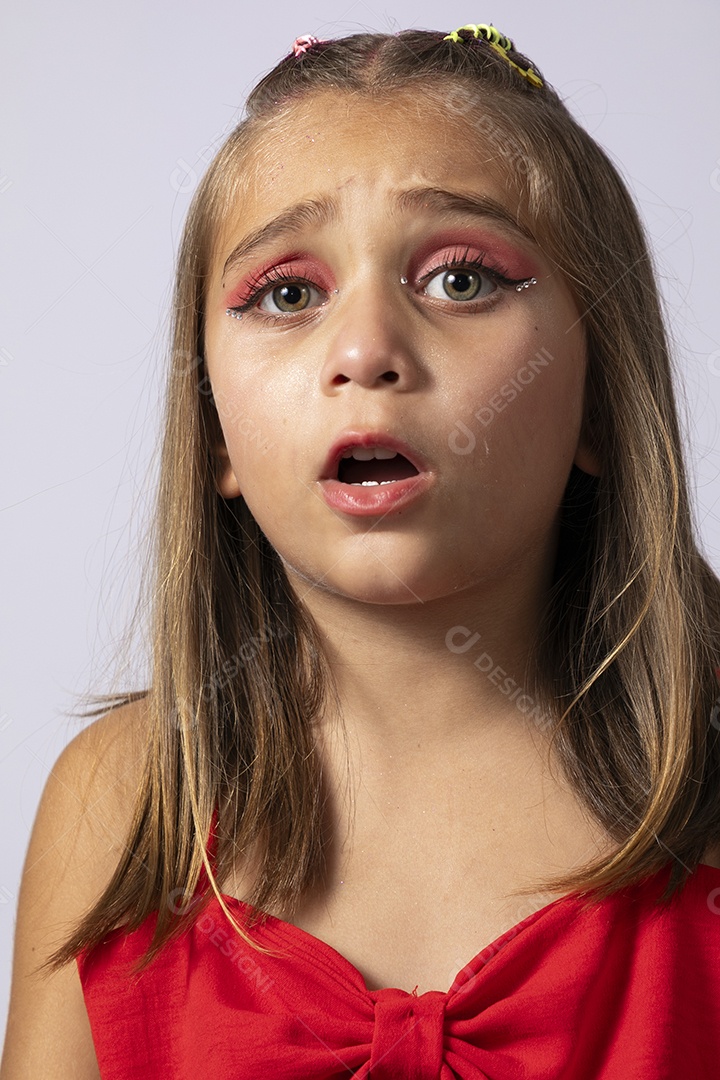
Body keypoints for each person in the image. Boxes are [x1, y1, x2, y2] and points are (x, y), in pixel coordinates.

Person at [3, 23, 720, 1079]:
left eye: (462, 280)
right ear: (213, 436)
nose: (366, 350)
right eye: (289, 294)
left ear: (602, 403)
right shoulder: (119, 808)